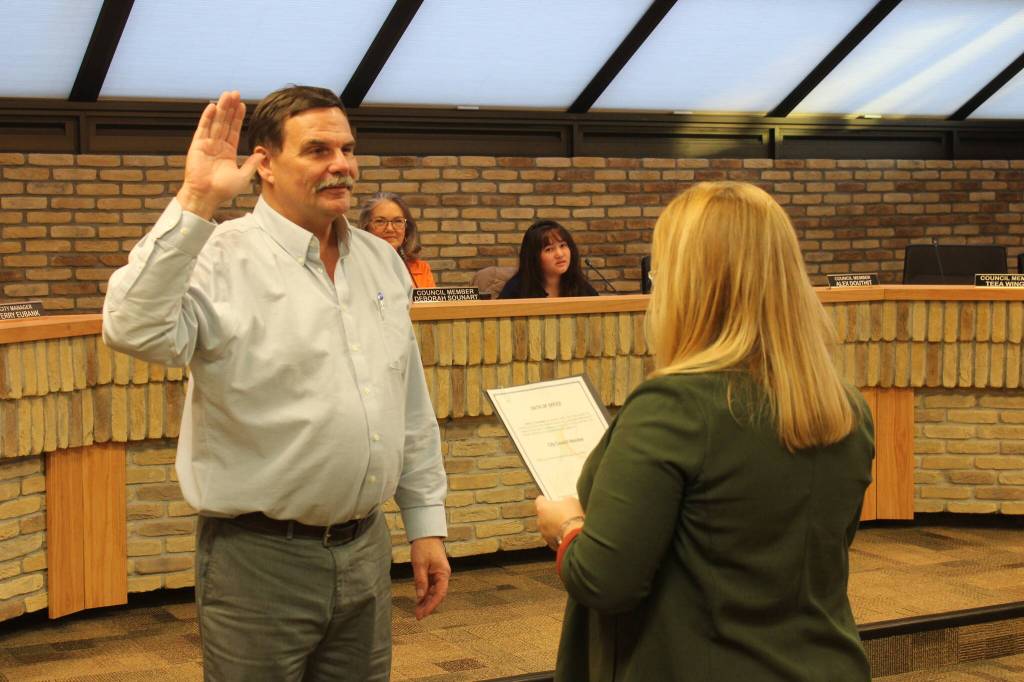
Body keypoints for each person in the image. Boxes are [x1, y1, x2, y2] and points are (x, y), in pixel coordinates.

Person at [102, 86, 450, 681]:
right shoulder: (217, 256)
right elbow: (132, 330)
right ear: (263, 163)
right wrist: (195, 202)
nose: (341, 164)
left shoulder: (380, 260)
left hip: (367, 548)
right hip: (258, 561)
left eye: (346, 148)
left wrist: (426, 523)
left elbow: (406, 402)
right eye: (316, 149)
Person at [535, 181, 875, 682]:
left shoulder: (674, 407)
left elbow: (605, 581)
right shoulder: (845, 406)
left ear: (689, 282)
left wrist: (565, 527)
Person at [497, 219, 598, 298]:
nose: (559, 254)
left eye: (563, 246)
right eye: (549, 249)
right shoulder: (516, 289)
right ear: (534, 257)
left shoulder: (581, 287)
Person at [358, 192, 436, 288]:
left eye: (398, 221)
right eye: (380, 221)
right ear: (366, 228)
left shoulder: (421, 269)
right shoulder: (355, 267)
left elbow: (432, 303)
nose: (390, 229)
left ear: (406, 228)